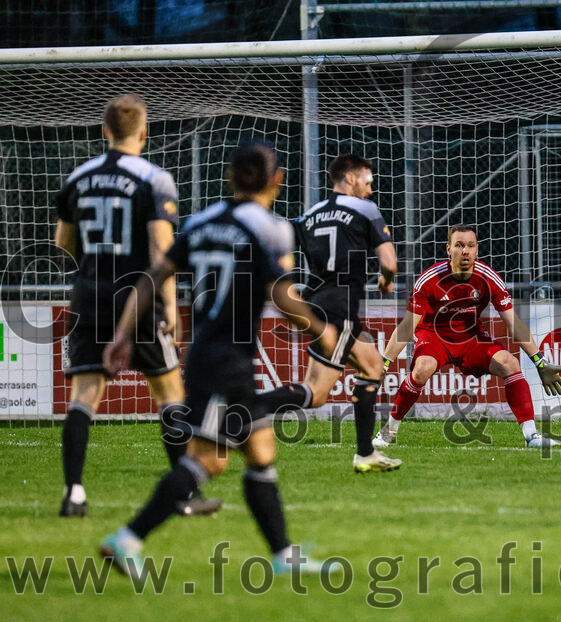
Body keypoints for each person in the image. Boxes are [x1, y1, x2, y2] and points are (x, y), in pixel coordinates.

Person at [99, 142, 339, 578]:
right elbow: (281, 294)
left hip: (208, 354)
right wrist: (323, 330)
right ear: (277, 180)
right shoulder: (271, 228)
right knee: (207, 461)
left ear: (229, 177)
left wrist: (120, 335)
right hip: (226, 361)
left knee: (260, 450)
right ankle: (127, 538)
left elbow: (153, 276)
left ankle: (283, 555)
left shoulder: (201, 222)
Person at [53, 93, 218, 517]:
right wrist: (170, 306)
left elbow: (62, 242)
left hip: (89, 294)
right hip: (138, 296)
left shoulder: (78, 177)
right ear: (144, 133)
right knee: (169, 391)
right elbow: (162, 252)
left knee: (84, 395)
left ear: (105, 131)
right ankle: (184, 495)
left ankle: (74, 492)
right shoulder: (154, 178)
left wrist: (94, 265)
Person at [257, 154, 402, 473]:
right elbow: (390, 262)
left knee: (373, 365)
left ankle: (366, 454)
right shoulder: (365, 209)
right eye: (368, 180)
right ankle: (245, 407)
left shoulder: (309, 215)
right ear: (349, 178)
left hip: (316, 302)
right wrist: (386, 280)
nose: (370, 188)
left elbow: (284, 253)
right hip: (339, 309)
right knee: (317, 392)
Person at [374, 225, 561, 449]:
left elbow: (514, 323)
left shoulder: (488, 277)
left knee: (510, 363)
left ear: (477, 250)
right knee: (422, 368)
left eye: (470, 246)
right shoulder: (430, 279)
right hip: (433, 336)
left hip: (470, 337)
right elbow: (407, 326)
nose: (465, 251)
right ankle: (389, 431)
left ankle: (532, 436)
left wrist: (540, 362)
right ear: (448, 249)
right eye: (459, 245)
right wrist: (385, 363)